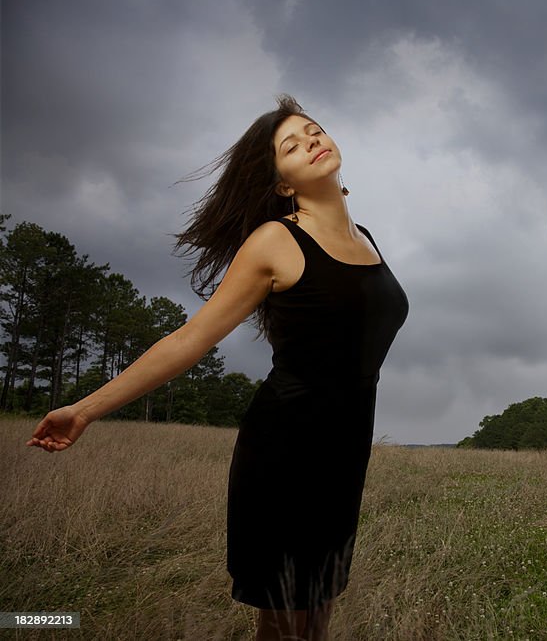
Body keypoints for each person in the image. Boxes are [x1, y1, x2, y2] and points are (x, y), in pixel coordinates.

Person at [25, 94, 410, 640]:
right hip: (285, 451)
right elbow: (190, 339)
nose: (312, 142)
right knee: (285, 618)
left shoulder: (365, 239)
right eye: (292, 146)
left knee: (319, 604)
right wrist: (85, 410)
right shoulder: (275, 241)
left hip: (344, 452)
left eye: (314, 130)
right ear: (282, 183)